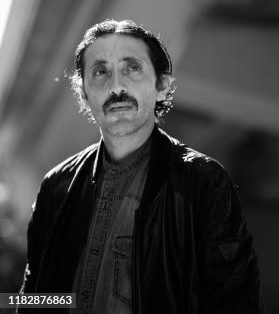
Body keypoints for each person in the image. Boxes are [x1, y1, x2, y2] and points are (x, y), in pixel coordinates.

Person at [18, 19, 263, 313]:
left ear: (162, 86)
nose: (116, 85)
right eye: (100, 72)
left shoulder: (201, 182)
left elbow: (235, 302)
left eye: (131, 68)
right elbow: (34, 297)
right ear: (83, 94)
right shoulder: (56, 187)